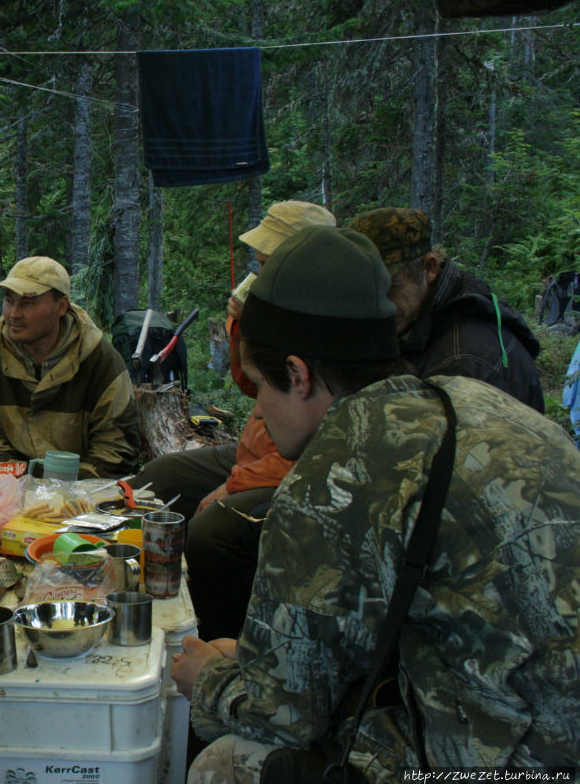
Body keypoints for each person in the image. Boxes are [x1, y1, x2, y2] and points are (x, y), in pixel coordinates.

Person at [170, 225, 580, 783]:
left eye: (262, 386)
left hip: (520, 764)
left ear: (297, 372)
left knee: (227, 762)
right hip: (546, 720)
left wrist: (208, 679)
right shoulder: (477, 402)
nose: (260, 412)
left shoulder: (332, 480)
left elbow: (285, 717)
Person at [133, 201, 334, 640]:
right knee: (155, 480)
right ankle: (142, 594)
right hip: (255, 449)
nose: (257, 272)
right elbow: (251, 386)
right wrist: (243, 326)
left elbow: (312, 449)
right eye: (258, 264)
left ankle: (216, 641)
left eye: (266, 263)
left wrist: (235, 483)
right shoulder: (277, 306)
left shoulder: (326, 322)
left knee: (213, 526)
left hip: (293, 465)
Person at [0, 256, 140, 479]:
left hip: (81, 483)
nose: (13, 314)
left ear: (61, 307)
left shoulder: (100, 361)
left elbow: (116, 448)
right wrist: (16, 482)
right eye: (9, 300)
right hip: (10, 479)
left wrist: (60, 490)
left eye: (27, 303)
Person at [347, 206, 544, 411]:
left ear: (430, 268)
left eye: (390, 289)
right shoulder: (427, 320)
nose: (378, 306)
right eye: (365, 291)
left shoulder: (463, 364)